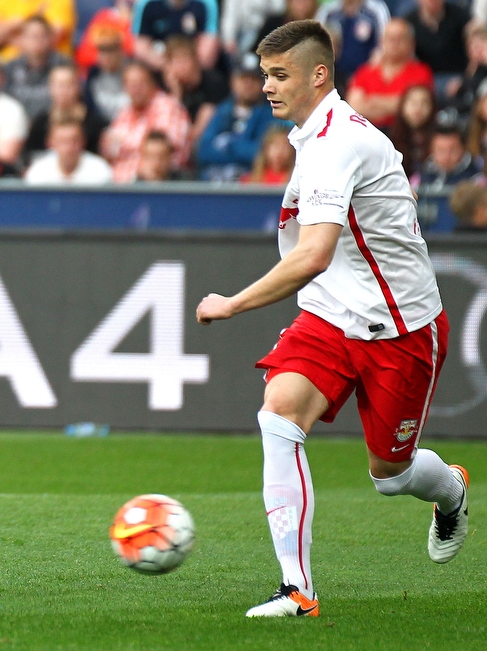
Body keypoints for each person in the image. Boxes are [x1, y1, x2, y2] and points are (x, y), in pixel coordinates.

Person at [196, 19, 469, 618]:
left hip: (400, 329)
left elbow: (313, 254)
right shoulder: (314, 135)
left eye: (280, 74)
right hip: (329, 315)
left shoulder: (338, 142)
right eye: (265, 74)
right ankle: (297, 590)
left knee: (391, 475)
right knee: (278, 413)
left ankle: (450, 490)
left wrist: (233, 303)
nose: (267, 86)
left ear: (319, 75)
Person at [196, 52, 285, 181]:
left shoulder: (272, 114)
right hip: (215, 184)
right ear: (233, 81)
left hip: (251, 187)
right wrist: (242, 149)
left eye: (253, 79)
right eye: (243, 78)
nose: (248, 84)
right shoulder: (222, 111)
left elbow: (261, 154)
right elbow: (203, 151)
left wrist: (230, 145)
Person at [100, 61, 191, 182]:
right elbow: (109, 150)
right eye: (131, 85)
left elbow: (162, 148)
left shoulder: (167, 106)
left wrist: (124, 145)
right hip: (120, 185)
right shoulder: (124, 112)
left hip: (157, 184)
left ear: (152, 84)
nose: (135, 89)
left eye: (140, 84)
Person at [345, 18, 434, 131]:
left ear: (411, 43)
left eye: (400, 39)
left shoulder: (421, 72)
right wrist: (396, 103)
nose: (395, 43)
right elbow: (354, 107)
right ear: (381, 41)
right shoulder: (365, 71)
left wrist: (373, 101)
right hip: (366, 133)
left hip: (405, 135)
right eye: (390, 38)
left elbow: (416, 107)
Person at [24, 64, 107, 163]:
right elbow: (32, 155)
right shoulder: (40, 123)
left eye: (69, 85)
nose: (64, 91)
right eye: (59, 85)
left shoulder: (95, 122)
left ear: (79, 87)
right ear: (50, 88)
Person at [4, 16, 70, 120]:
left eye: (42, 36)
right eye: (32, 36)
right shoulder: (10, 68)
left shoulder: (63, 65)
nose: (37, 41)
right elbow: (4, 103)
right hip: (19, 123)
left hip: (54, 123)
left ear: (51, 38)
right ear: (22, 39)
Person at [131, 0, 221, 71]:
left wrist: (183, 67)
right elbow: (141, 48)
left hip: (195, 68)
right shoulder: (147, 3)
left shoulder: (205, 3)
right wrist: (168, 67)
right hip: (158, 67)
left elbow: (207, 54)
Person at [0, 0, 75, 61]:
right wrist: (15, 23)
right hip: (6, 66)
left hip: (49, 67)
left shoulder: (60, 1)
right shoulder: (1, 1)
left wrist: (4, 36)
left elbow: (53, 37)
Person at [315, 0, 390, 80]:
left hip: (366, 74)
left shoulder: (376, 10)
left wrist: (365, 75)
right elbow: (316, 46)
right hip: (334, 74)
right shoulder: (328, 11)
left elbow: (384, 46)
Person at [403, 0, 470, 90]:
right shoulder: (408, 22)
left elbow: (473, 48)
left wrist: (465, 79)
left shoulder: (460, 16)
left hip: (457, 75)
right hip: (422, 77)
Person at [24, 117, 113, 183]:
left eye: (74, 141)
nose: (69, 148)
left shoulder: (100, 170)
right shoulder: (38, 171)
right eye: (63, 141)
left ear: (83, 141)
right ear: (50, 143)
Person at [389, 84, 437, 180]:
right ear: (402, 105)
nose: (418, 109)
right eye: (413, 103)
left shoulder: (439, 137)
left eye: (424, 103)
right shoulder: (389, 138)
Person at [418, 123, 481, 189]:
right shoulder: (420, 178)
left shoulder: (477, 180)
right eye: (441, 150)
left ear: (463, 149)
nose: (446, 156)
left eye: (453, 150)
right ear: (431, 150)